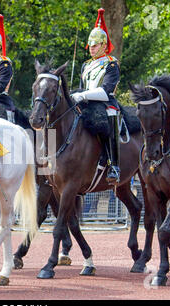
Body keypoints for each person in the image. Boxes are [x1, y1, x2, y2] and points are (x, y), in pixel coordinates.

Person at [70, 8, 121, 185]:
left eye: (95, 45)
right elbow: (84, 87)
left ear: (104, 45)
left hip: (105, 103)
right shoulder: (85, 65)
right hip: (86, 103)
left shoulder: (111, 64)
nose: (92, 49)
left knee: (109, 117)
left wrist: (81, 95)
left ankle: (113, 164)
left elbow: (106, 90)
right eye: (90, 46)